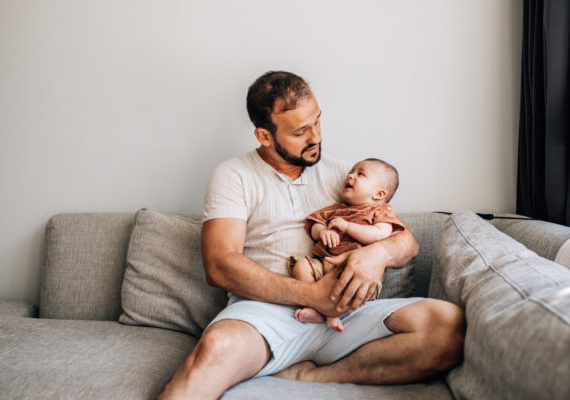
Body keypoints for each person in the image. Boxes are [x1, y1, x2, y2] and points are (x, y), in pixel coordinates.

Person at [158, 71, 465, 400]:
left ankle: (313, 377)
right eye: (300, 131)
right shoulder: (233, 175)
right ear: (264, 136)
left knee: (447, 326)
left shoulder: (346, 174)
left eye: (317, 121)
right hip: (265, 314)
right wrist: (311, 295)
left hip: (349, 311)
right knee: (212, 353)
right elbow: (220, 265)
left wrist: (376, 255)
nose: (316, 136)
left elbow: (406, 242)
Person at [288, 158, 404, 332]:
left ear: (379, 194)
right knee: (301, 266)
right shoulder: (336, 209)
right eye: (351, 172)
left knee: (350, 280)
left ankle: (332, 313)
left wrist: (349, 227)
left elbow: (380, 234)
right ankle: (316, 307)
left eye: (360, 174)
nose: (350, 176)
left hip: (360, 272)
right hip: (325, 265)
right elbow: (314, 224)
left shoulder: (380, 211)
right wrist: (322, 232)